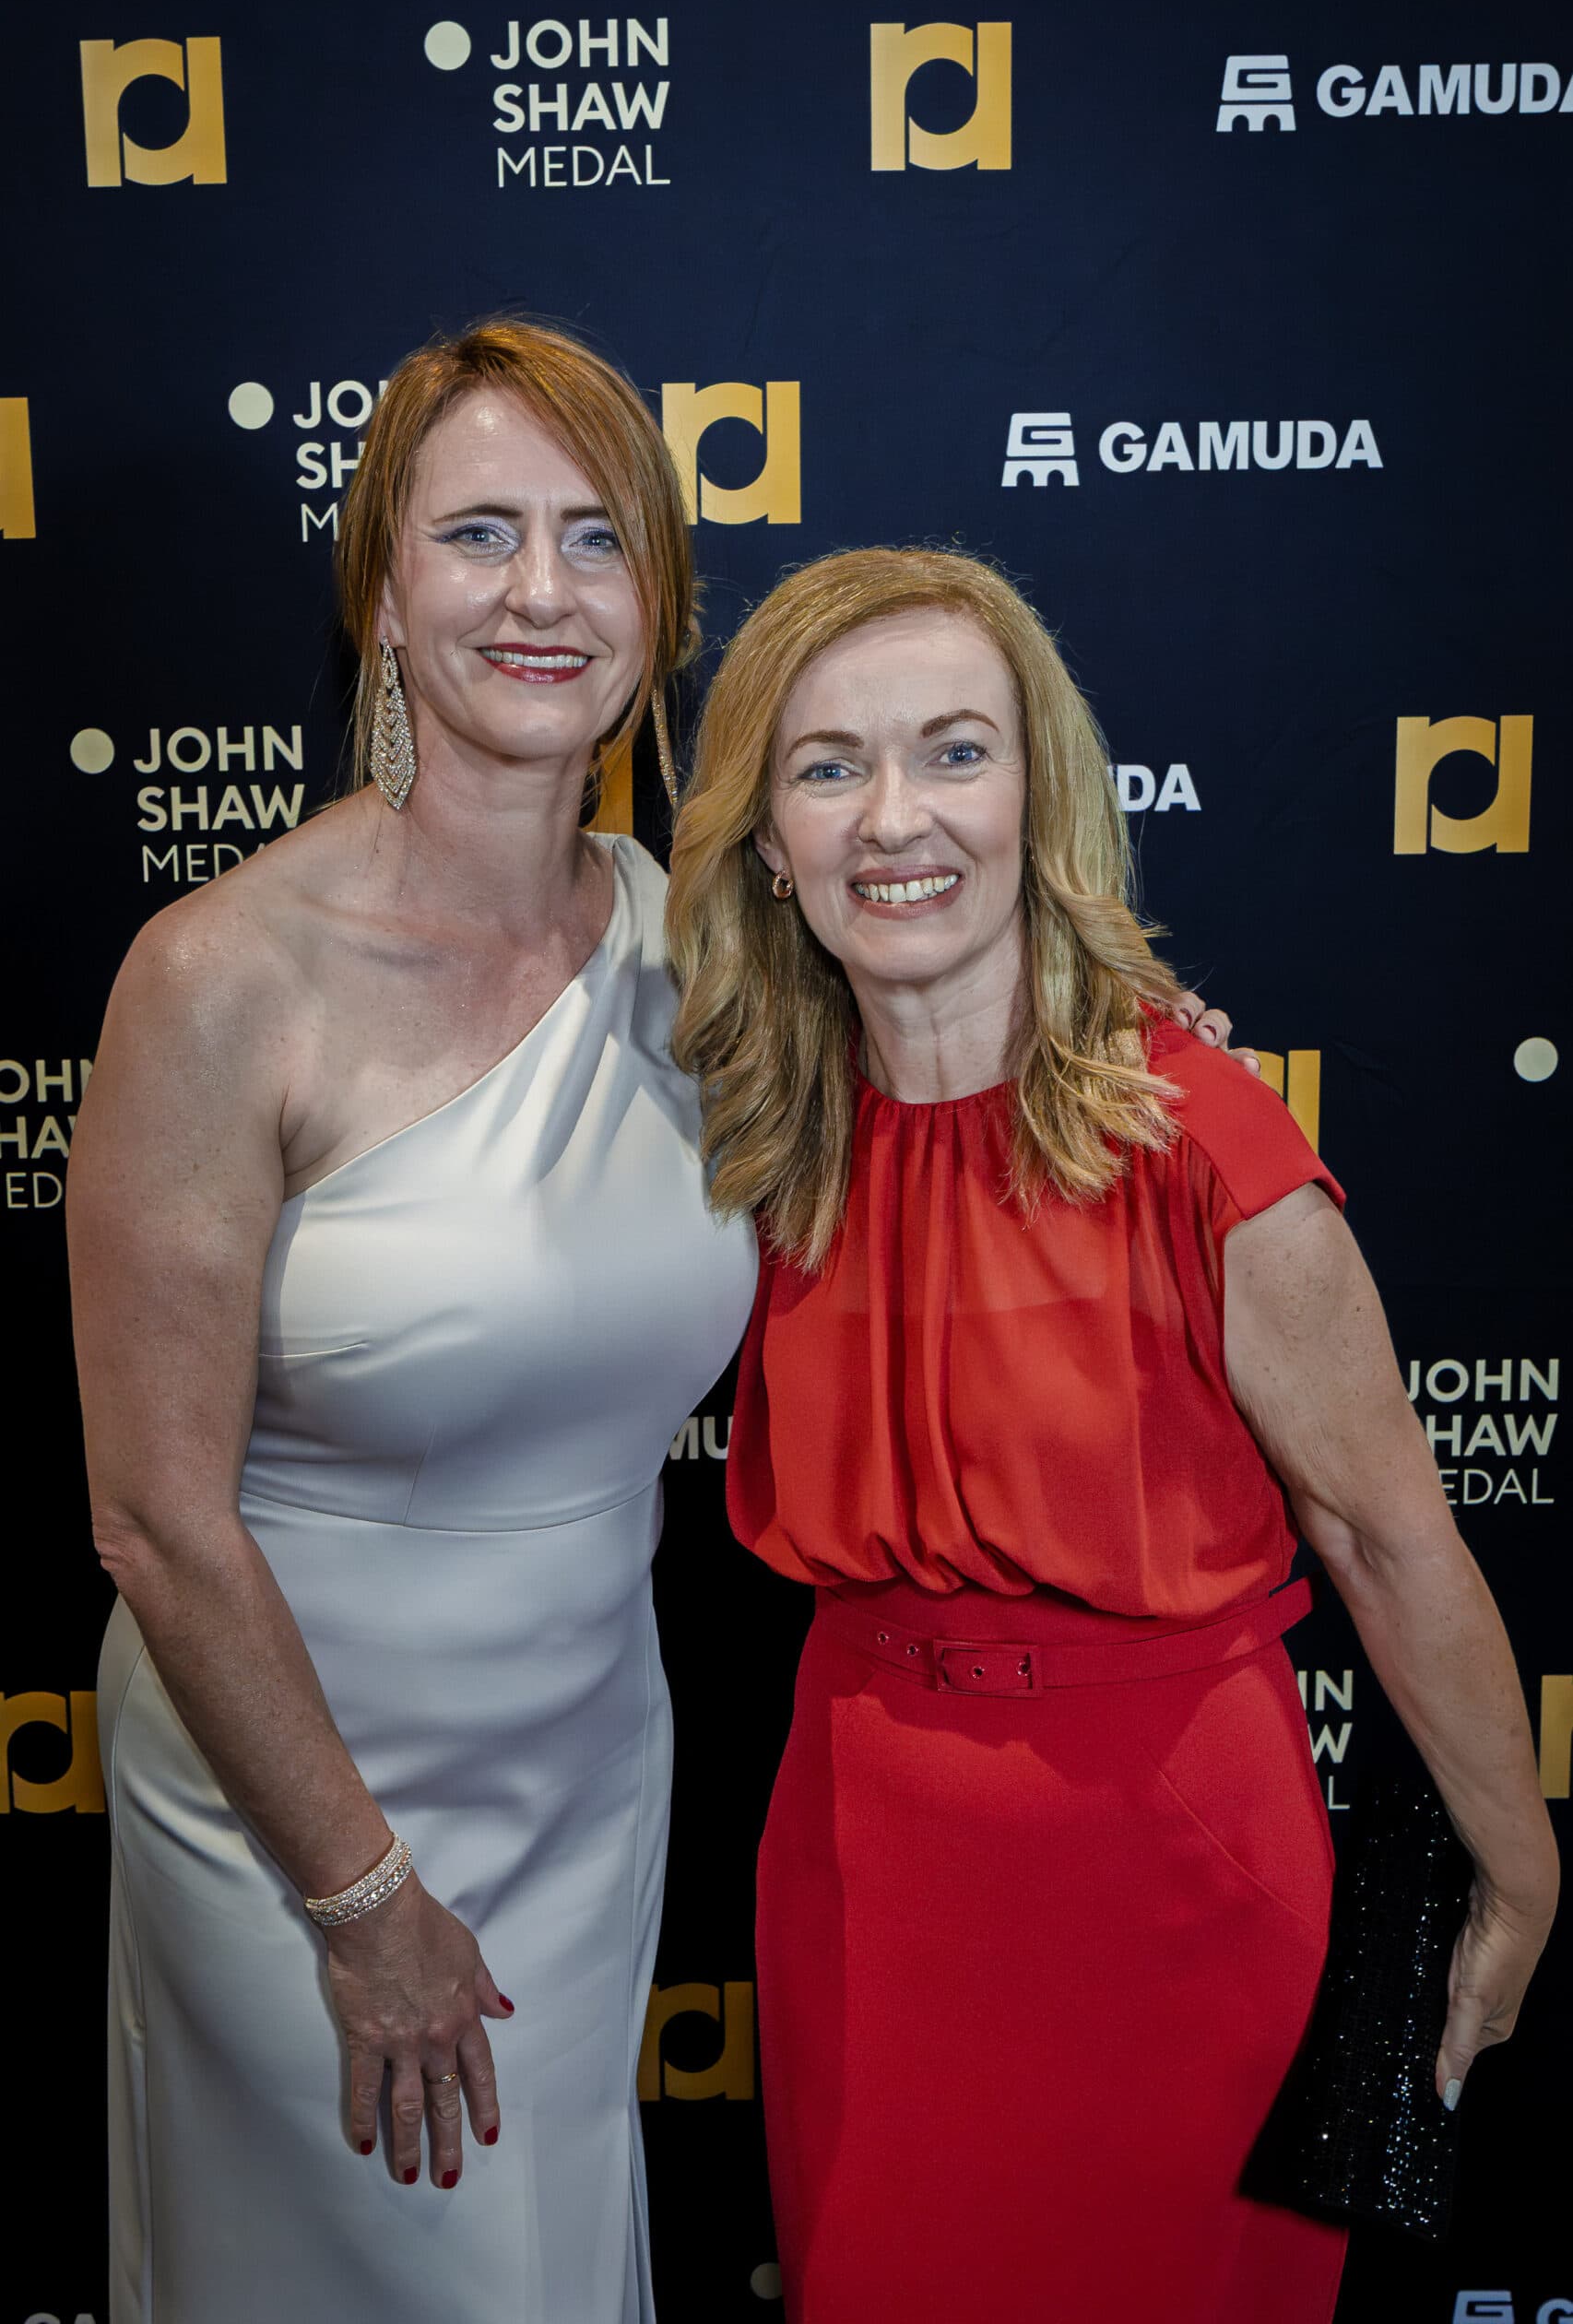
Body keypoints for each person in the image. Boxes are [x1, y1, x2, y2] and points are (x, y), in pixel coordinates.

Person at [665, 546, 1558, 2324]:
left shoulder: (1200, 1144)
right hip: (857, 1870)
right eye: (829, 766)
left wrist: (1520, 1879)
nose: (894, 818)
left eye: (954, 751)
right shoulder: (755, 1141)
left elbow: (1389, 1539)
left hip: (1168, 1886)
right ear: (765, 838)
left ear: (1039, 795)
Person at [67, 319, 761, 2324]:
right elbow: (155, 1520)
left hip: (587, 1771)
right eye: (478, 534)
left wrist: (1149, 1058)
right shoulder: (221, 976)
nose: (542, 591)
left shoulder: (706, 951)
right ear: (383, 593)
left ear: (658, 606)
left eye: (596, 537)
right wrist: (362, 1903)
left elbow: (964, 1083)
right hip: (291, 1809)